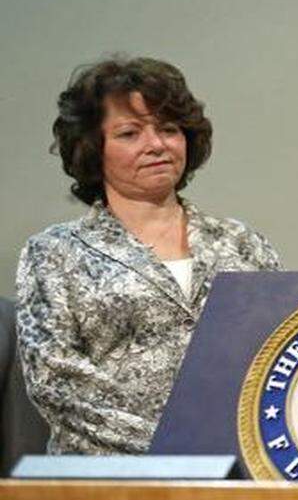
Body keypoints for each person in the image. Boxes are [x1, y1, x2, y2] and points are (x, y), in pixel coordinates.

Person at [15, 56, 281, 454]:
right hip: (109, 478)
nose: (155, 145)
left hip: (236, 473)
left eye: (168, 129)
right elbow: (56, 382)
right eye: (129, 133)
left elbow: (280, 352)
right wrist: (179, 443)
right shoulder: (53, 253)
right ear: (93, 148)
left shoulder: (243, 242)